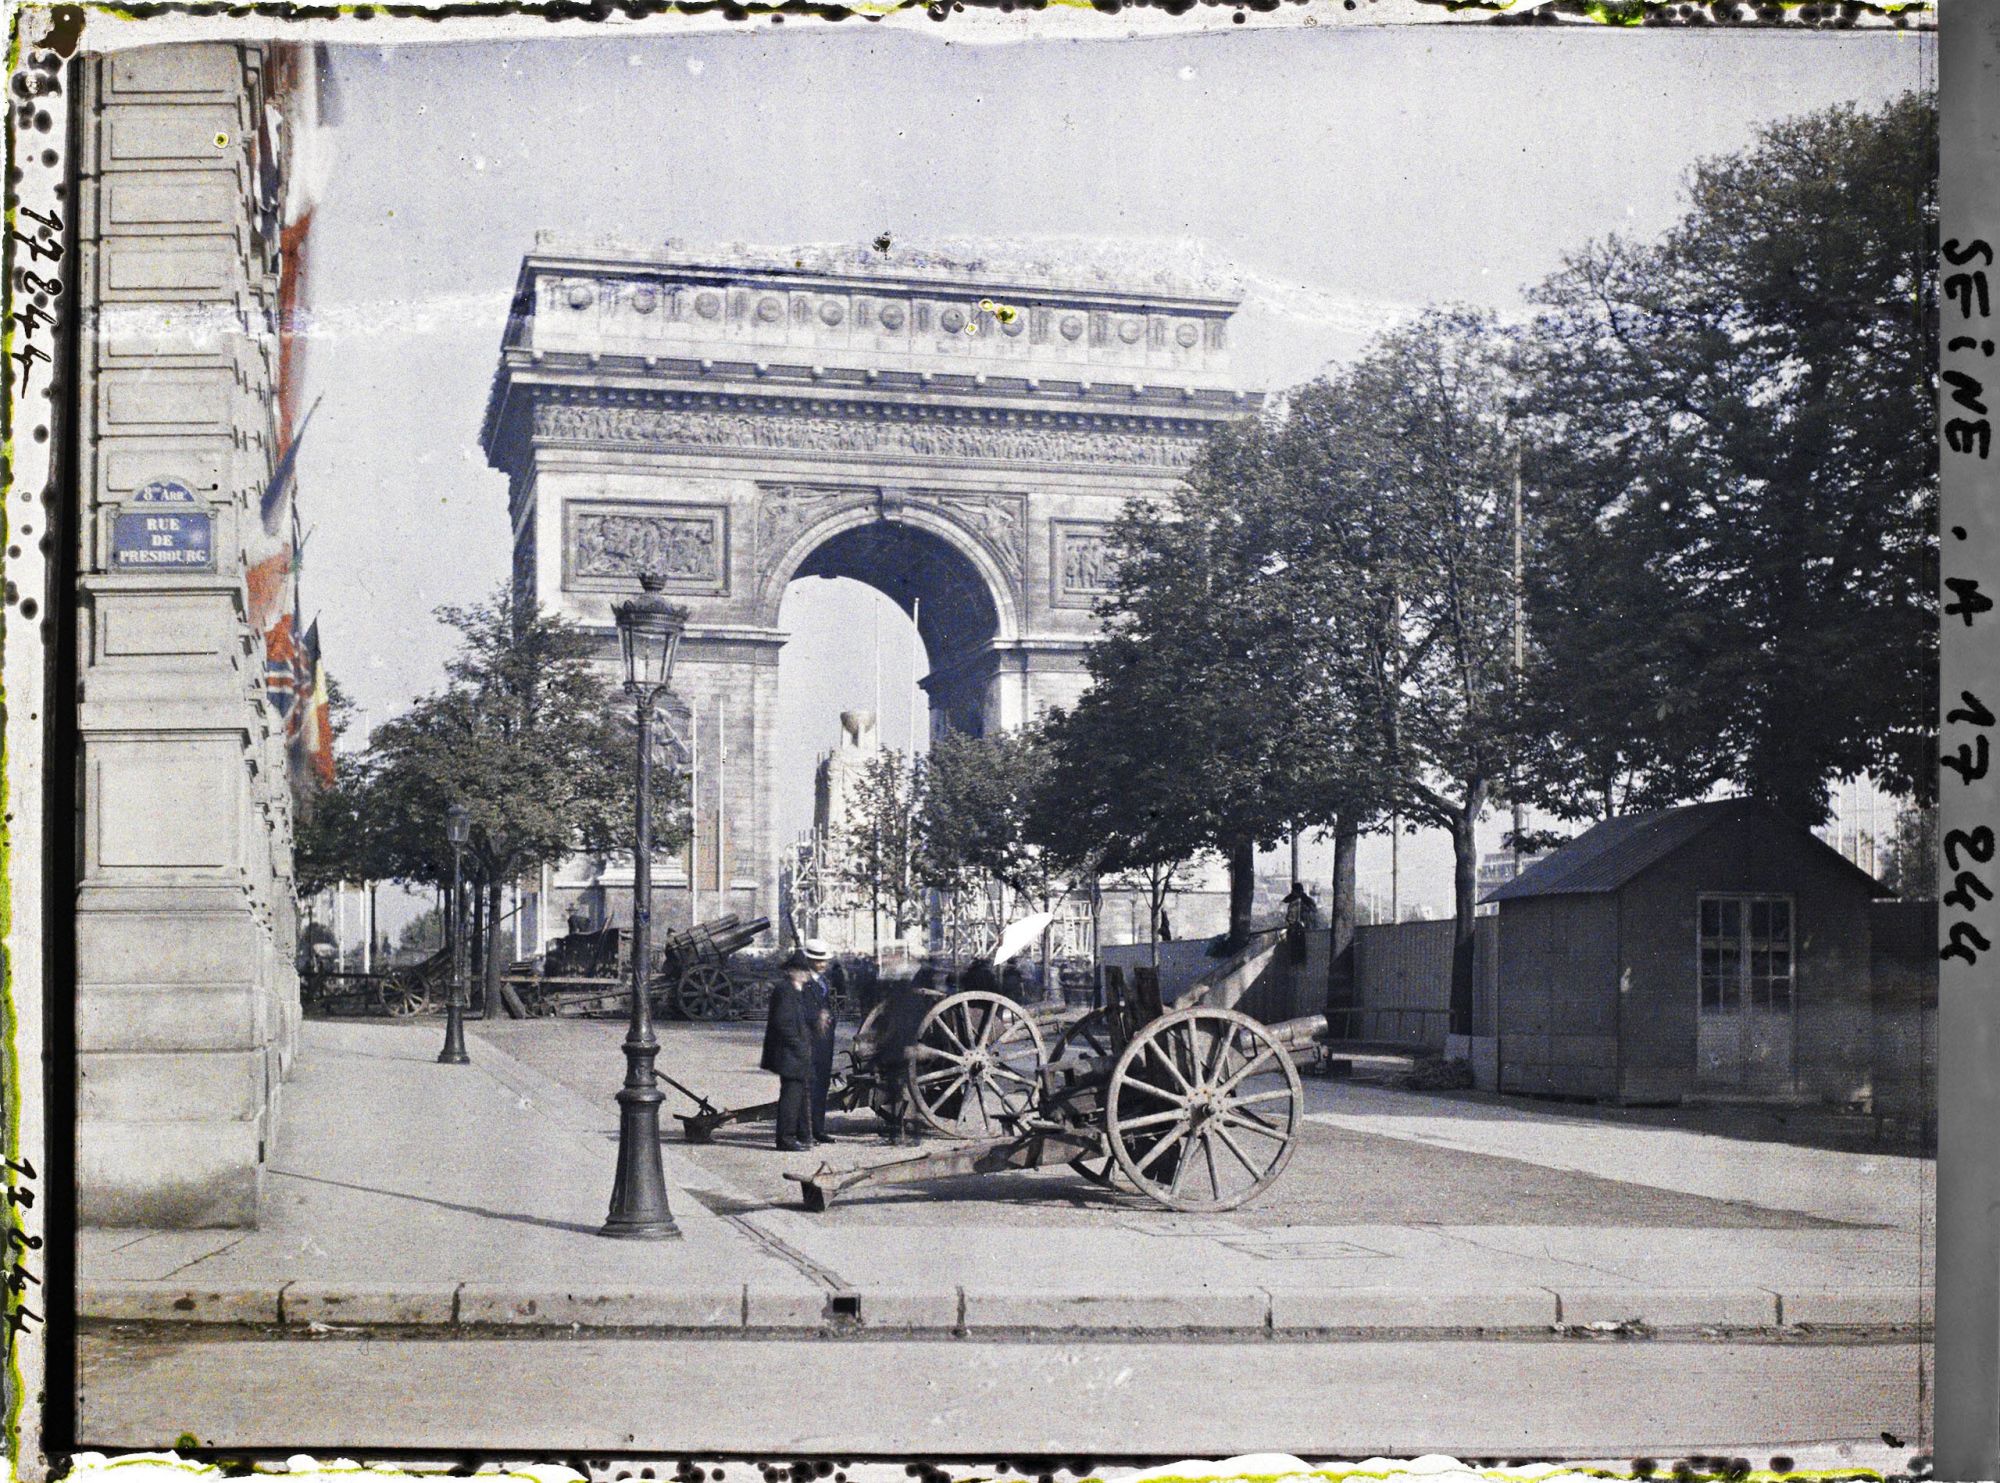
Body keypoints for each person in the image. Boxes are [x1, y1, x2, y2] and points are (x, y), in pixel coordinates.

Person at [761, 943, 827, 1151]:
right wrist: (799, 1046)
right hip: (789, 1054)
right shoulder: (786, 990)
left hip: (795, 1054)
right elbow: (783, 1023)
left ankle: (798, 1135)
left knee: (797, 1097)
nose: (806, 974)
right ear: (791, 972)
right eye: (802, 970)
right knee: (790, 1099)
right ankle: (786, 1139)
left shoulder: (794, 990)